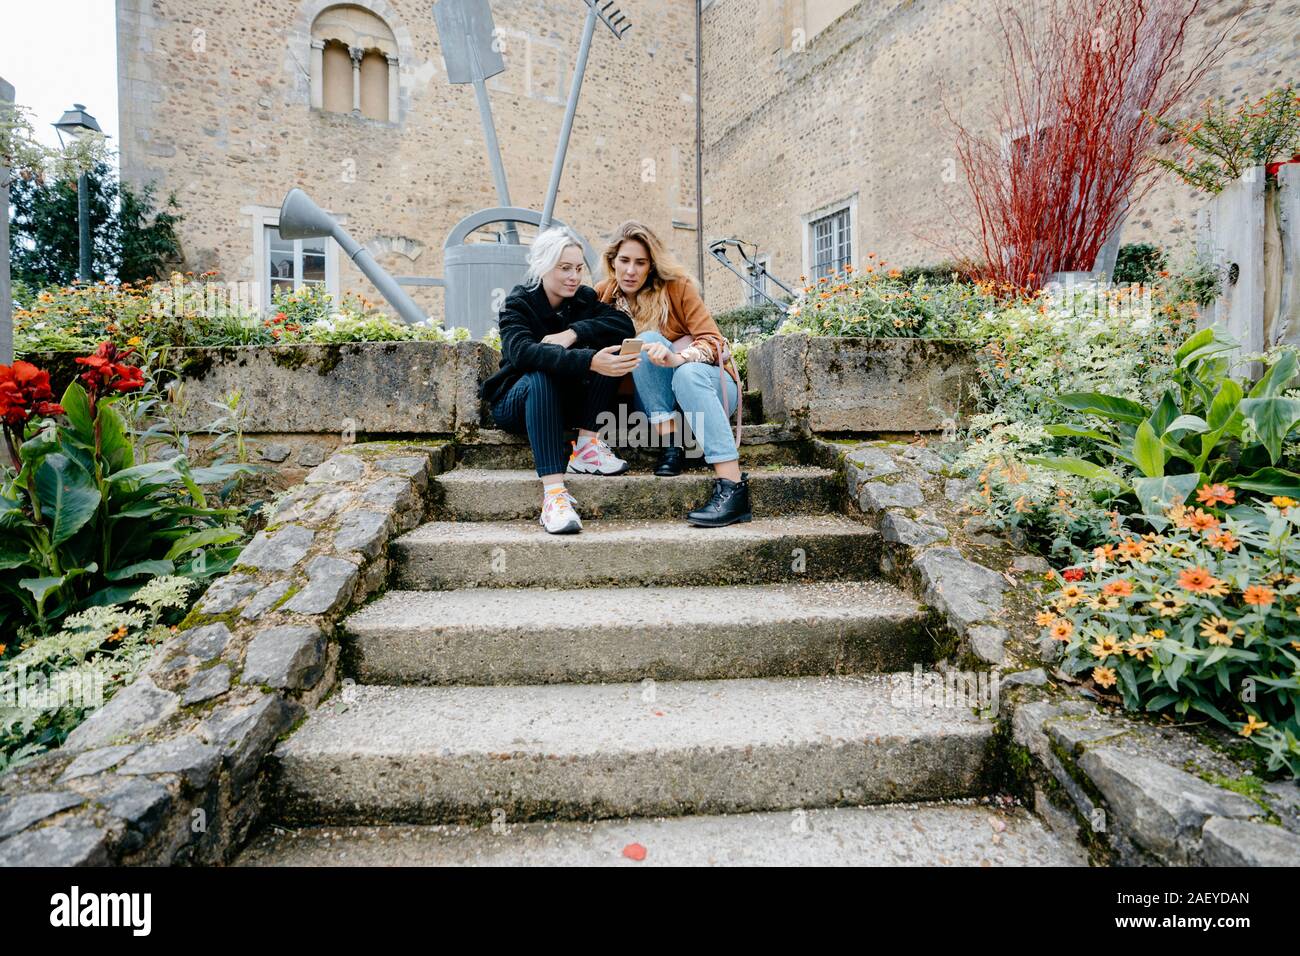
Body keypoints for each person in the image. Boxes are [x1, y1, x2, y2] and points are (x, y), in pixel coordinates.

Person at [479, 226, 640, 534]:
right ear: (543, 266)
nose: (574, 276)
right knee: (543, 371)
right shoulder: (518, 303)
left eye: (579, 268)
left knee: (609, 351)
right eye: (564, 268)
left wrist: (574, 333)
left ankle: (586, 447)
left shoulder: (583, 298)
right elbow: (521, 353)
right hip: (518, 402)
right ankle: (554, 496)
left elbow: (622, 325)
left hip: (565, 403)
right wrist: (586, 360)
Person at [593, 221, 750, 527]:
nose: (630, 271)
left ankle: (732, 487)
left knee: (680, 368)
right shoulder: (603, 296)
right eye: (624, 261)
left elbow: (715, 342)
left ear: (651, 265)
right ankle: (671, 447)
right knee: (645, 343)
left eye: (640, 263)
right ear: (612, 261)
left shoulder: (678, 288)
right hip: (650, 407)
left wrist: (677, 358)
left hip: (708, 392)